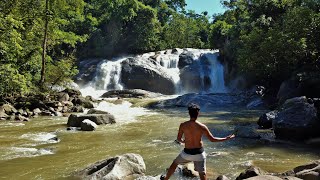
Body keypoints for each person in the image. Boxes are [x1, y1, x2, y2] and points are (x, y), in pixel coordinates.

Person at [161, 103, 235, 180]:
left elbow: (179, 139)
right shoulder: (202, 127)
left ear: (189, 113)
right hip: (199, 154)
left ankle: (166, 179)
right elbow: (212, 139)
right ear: (198, 114)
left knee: (175, 163)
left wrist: (185, 142)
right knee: (202, 173)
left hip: (187, 153)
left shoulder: (183, 125)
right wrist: (227, 138)